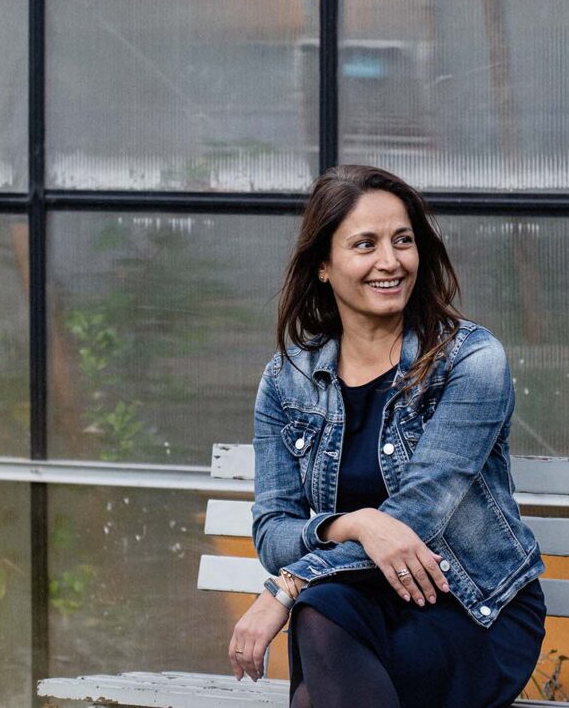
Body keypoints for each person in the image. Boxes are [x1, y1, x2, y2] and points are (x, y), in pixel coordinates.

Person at [228, 165, 546, 708]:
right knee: (325, 616)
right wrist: (356, 522)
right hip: (360, 604)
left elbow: (420, 513)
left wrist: (287, 587)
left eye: (403, 240)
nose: (390, 261)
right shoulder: (286, 382)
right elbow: (272, 531)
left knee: (316, 649)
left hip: (468, 607)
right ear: (324, 266)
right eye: (364, 244)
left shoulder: (470, 361)